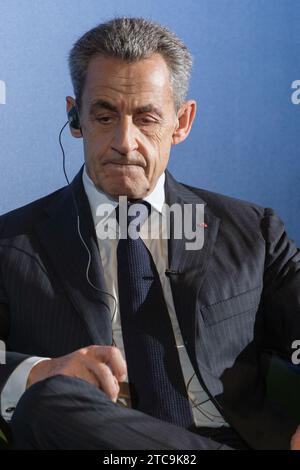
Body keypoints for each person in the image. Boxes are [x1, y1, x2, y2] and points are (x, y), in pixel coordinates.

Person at [0, 17, 300, 450]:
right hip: (97, 443)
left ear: (182, 122)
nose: (125, 141)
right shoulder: (12, 243)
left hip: (233, 437)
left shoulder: (253, 232)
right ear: (75, 116)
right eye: (105, 116)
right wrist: (36, 372)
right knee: (48, 399)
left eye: (146, 119)